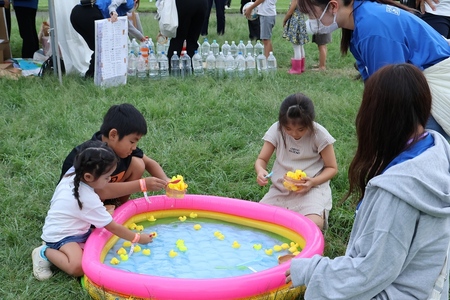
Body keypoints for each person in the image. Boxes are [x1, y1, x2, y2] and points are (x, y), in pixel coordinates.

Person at [286, 63, 450, 299]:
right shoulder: (435, 152)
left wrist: (309, 269)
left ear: (378, 116)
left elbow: (369, 273)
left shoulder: (399, 191)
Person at [298, 0, 450, 140]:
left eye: (311, 14)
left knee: (416, 153)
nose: (311, 21)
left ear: (333, 6)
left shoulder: (372, 29)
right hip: (420, 88)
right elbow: (374, 84)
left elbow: (393, 97)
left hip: (432, 94)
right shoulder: (363, 18)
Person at [32, 140, 154, 281]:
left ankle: (77, 246)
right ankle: (44, 252)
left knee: (102, 247)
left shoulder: (74, 173)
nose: (109, 180)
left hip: (76, 229)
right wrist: (138, 238)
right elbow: (113, 227)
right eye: (107, 177)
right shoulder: (87, 197)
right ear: (89, 177)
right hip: (61, 237)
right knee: (78, 267)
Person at [60, 103, 169, 208]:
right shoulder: (95, 156)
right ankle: (100, 212)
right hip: (79, 201)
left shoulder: (122, 148)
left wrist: (166, 181)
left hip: (102, 192)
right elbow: (100, 190)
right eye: (132, 142)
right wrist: (142, 184)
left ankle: (118, 206)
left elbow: (149, 162)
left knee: (138, 163)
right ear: (113, 135)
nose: (134, 147)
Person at [254, 93, 338, 230]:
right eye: (288, 129)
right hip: (280, 189)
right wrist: (260, 170)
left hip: (311, 189)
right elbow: (261, 159)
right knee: (257, 220)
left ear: (310, 123)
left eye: (301, 129)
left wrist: (312, 182)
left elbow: (332, 168)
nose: (294, 134)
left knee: (313, 225)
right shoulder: (276, 130)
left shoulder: (320, 135)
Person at [70, 0, 135, 78]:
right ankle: (92, 75)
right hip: (90, 13)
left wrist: (141, 38)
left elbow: (129, 26)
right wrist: (113, 11)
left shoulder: (121, 9)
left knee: (97, 46)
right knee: (103, 46)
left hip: (76, 13)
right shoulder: (130, 2)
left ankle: (93, 75)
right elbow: (114, 4)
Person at [283, 1, 309, 74]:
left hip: (295, 22)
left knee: (296, 46)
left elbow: (290, 11)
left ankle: (296, 69)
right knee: (300, 46)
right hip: (301, 20)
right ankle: (301, 67)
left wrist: (284, 20)